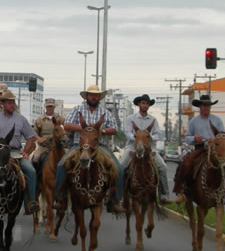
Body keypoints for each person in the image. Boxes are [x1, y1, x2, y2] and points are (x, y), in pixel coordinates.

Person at [54, 84, 125, 214]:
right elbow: (67, 125)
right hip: (78, 146)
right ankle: (60, 198)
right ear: (87, 96)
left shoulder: (105, 112)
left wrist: (101, 130)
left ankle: (115, 200)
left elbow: (114, 129)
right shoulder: (77, 109)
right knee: (61, 165)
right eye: (91, 95)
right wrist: (85, 129)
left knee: (118, 168)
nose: (93, 97)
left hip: (100, 146)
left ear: (99, 97)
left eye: (96, 95)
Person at [173, 94, 225, 207]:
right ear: (200, 107)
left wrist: (215, 140)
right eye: (204, 105)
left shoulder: (217, 120)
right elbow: (187, 138)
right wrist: (195, 138)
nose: (206, 107)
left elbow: (222, 136)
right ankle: (182, 191)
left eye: (208, 105)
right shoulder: (193, 121)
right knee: (185, 163)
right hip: (200, 149)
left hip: (215, 151)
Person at [119, 94, 172, 204]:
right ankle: (119, 195)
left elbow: (158, 134)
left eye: (147, 104)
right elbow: (127, 132)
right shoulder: (130, 118)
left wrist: (149, 137)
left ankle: (164, 195)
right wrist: (137, 138)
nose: (145, 105)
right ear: (139, 104)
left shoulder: (153, 120)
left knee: (163, 167)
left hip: (150, 149)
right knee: (121, 167)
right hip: (132, 148)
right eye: (143, 103)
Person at [31, 98, 59, 168]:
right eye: (48, 106)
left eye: (51, 106)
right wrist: (39, 138)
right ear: (45, 107)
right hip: (43, 146)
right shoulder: (39, 120)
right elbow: (34, 132)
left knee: (67, 159)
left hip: (57, 146)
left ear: (54, 107)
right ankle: (36, 174)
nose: (49, 108)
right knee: (35, 158)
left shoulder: (60, 119)